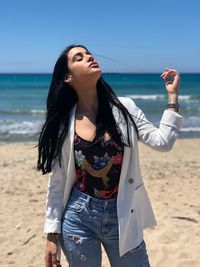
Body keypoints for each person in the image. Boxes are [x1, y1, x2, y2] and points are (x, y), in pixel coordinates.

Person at [37, 44, 182, 267]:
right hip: (79, 216)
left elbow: (162, 142)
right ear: (67, 77)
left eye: (89, 54)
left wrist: (172, 99)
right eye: (79, 57)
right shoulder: (64, 123)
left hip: (123, 212)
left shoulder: (125, 108)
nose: (89, 57)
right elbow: (57, 182)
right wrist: (51, 235)